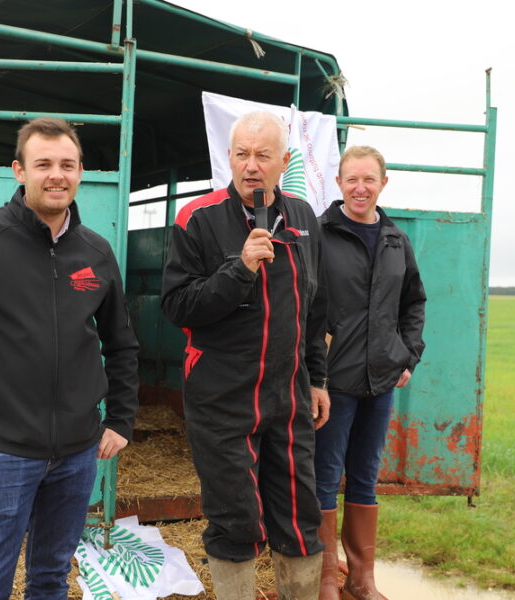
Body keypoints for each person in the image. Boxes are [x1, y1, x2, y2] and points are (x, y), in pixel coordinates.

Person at [0, 117, 139, 600]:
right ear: (19, 170)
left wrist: (120, 418)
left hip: (78, 454)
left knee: (51, 580)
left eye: (67, 165)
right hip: (2, 452)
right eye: (43, 165)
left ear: (81, 173)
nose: (57, 175)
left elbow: (120, 344)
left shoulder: (96, 251)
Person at [161, 110, 330, 600]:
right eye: (241, 154)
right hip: (222, 397)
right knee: (236, 519)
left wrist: (316, 379)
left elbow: (314, 310)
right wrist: (240, 268)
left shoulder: (303, 219)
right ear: (229, 158)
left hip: (290, 396)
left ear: (284, 161)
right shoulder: (198, 219)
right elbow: (178, 306)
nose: (250, 166)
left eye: (262, 155)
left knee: (299, 516)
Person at [314, 146, 426, 600]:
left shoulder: (396, 239)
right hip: (332, 383)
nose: (360, 188)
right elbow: (305, 307)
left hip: (380, 380)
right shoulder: (319, 235)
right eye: (351, 179)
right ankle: (324, 580)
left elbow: (413, 302)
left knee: (365, 475)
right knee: (323, 477)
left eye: (369, 179)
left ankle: (362, 579)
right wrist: (312, 371)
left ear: (383, 183)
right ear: (339, 183)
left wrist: (407, 354)